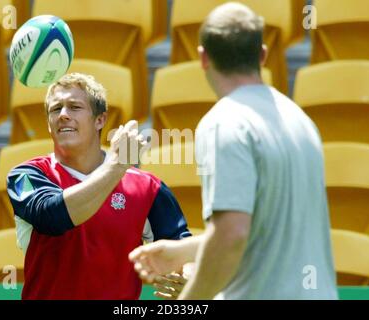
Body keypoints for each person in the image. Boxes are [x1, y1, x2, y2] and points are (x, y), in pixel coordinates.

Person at [129, 2, 338, 300]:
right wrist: (183, 251)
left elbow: (232, 235)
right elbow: (265, 233)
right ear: (263, 54)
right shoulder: (301, 121)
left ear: (203, 58)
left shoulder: (224, 123)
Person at [6, 73, 191, 299]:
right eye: (56, 109)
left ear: (100, 120)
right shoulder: (25, 176)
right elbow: (53, 217)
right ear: (48, 124)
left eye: (74, 107)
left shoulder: (146, 187)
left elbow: (181, 247)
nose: (63, 115)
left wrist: (188, 275)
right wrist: (116, 166)